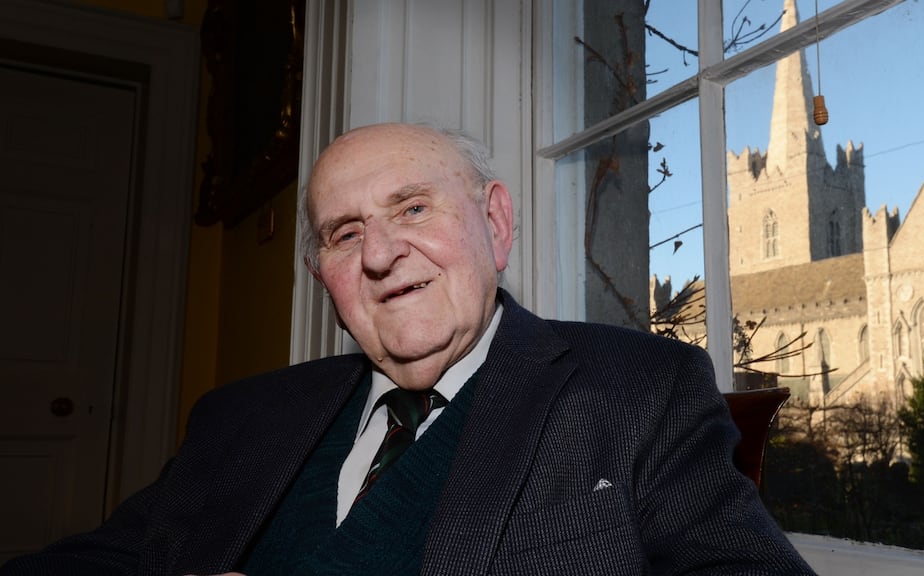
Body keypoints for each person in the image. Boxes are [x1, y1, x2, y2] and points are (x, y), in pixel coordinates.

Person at [1, 123, 816, 575]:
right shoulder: (240, 416)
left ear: (495, 223)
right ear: (323, 275)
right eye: (345, 233)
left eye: (414, 209)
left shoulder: (637, 389)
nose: (382, 255)